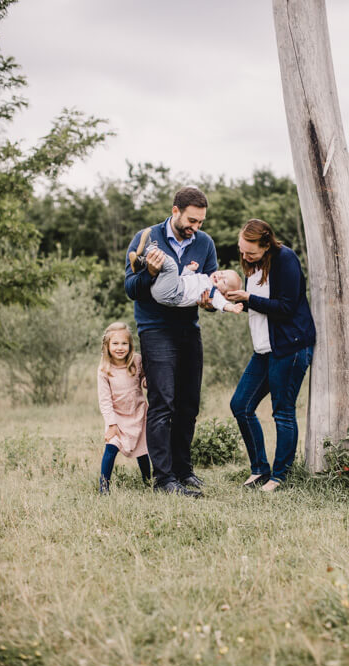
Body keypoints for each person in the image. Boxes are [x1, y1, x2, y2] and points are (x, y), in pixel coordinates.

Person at [125, 186, 217, 497]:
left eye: (201, 222)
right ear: (175, 211)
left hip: (189, 328)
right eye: (192, 220)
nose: (196, 227)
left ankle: (183, 470)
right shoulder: (146, 237)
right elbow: (130, 288)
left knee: (189, 404)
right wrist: (149, 273)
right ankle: (163, 479)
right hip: (155, 328)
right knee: (162, 403)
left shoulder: (204, 244)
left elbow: (212, 284)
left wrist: (210, 301)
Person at [226, 219, 316, 492]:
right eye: (242, 250)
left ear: (266, 244)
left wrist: (248, 299)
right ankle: (260, 469)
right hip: (264, 350)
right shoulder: (253, 265)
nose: (245, 256)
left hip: (289, 347)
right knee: (240, 405)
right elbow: (257, 306)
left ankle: (280, 476)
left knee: (283, 412)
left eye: (250, 251)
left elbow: (286, 307)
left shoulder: (285, 259)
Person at [129, 228, 243, 313]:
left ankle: (148, 249)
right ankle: (141, 262)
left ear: (224, 293)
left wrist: (232, 307)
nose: (220, 276)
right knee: (165, 266)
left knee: (171, 266)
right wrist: (189, 269)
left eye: (224, 281)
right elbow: (183, 278)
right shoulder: (203, 278)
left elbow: (222, 304)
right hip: (168, 289)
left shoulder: (213, 293)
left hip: (172, 294)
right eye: (222, 273)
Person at [97, 322, 150, 493]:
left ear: (130, 345)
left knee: (142, 450)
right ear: (107, 345)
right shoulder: (104, 369)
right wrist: (111, 424)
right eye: (115, 343)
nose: (120, 348)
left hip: (138, 412)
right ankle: (104, 487)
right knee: (111, 447)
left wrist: (146, 381)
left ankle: (148, 481)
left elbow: (143, 378)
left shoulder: (137, 360)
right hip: (117, 417)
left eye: (124, 343)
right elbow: (105, 400)